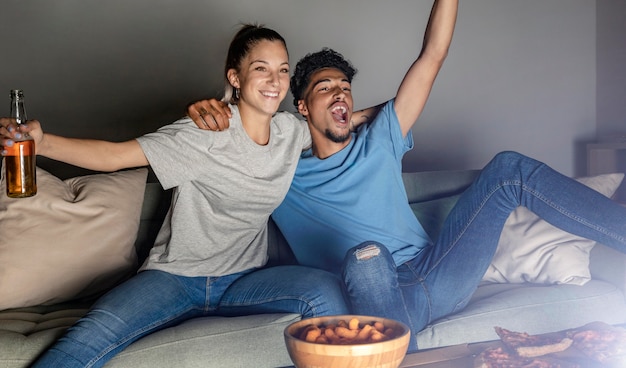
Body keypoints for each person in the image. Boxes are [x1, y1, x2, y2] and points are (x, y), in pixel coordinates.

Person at [187, 0, 626, 353]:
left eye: (345, 86)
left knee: (509, 168)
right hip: (373, 291)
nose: (340, 91)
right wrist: (208, 109)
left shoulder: (381, 137)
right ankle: (402, 350)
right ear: (301, 107)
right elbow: (236, 140)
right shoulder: (280, 170)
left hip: (437, 273)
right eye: (325, 87)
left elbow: (432, 55)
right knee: (367, 255)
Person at [0, 25, 351, 368]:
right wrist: (42, 144)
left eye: (283, 70)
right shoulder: (203, 133)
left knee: (325, 291)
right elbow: (114, 156)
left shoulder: (290, 132)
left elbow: (340, 125)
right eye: (261, 69)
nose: (275, 81)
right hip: (175, 279)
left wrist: (373, 114)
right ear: (235, 78)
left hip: (244, 279)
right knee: (86, 340)